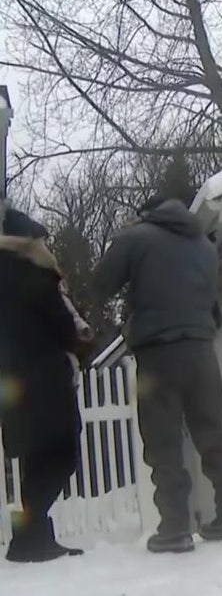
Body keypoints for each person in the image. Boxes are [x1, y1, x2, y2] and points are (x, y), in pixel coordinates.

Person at [93, 195, 222, 554]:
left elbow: (102, 283)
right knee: (214, 434)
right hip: (201, 349)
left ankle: (175, 528)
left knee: (163, 441)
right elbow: (211, 303)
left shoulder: (137, 237)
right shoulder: (205, 246)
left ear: (145, 212)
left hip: (158, 352)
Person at [0, 202, 86, 562]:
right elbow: (64, 328)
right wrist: (81, 341)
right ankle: (31, 536)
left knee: (36, 457)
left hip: (12, 381)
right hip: (46, 379)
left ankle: (28, 539)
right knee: (63, 455)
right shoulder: (36, 274)